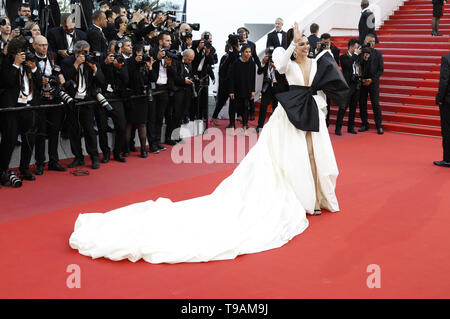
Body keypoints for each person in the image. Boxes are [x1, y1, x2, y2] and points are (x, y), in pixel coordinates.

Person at [69, 22, 349, 264]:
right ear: (293, 44)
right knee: (287, 160)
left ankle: (316, 196)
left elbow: (320, 87)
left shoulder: (316, 61)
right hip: (287, 117)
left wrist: (321, 104)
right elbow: (283, 65)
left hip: (310, 114)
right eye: (300, 43)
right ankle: (300, 199)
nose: (305, 46)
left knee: (311, 155)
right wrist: (291, 43)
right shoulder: (282, 54)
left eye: (306, 43)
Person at [0, 37, 42, 184]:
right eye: (19, 52)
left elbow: (39, 83)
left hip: (29, 106)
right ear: (13, 52)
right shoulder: (6, 63)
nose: (23, 54)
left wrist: (34, 68)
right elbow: (6, 82)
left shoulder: (29, 62)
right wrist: (16, 64)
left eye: (24, 51)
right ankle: (2, 171)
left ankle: (24, 169)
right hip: (13, 108)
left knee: (29, 140)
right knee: (9, 141)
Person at [61, 40, 105, 169]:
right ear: (77, 52)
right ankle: (78, 158)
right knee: (74, 131)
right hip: (72, 101)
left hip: (87, 100)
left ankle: (94, 157)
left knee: (89, 131)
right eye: (85, 52)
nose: (87, 54)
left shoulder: (91, 61)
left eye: (88, 51)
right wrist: (76, 64)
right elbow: (65, 81)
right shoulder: (67, 62)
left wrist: (95, 69)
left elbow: (102, 81)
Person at [33, 34, 67, 174]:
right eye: (41, 45)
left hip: (54, 99)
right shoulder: (31, 59)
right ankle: (40, 163)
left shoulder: (52, 56)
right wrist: (39, 81)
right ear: (34, 46)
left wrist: (58, 77)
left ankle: (54, 161)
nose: (44, 47)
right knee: (40, 133)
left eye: (46, 44)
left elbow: (58, 71)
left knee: (54, 132)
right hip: (39, 100)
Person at [255, 46, 288, 133]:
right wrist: (262, 62)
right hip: (267, 87)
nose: (270, 56)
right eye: (268, 54)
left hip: (278, 87)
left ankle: (276, 127)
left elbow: (284, 75)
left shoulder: (280, 62)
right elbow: (259, 72)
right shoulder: (265, 62)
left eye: (271, 54)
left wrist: (275, 67)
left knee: (276, 107)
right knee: (263, 106)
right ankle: (260, 126)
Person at [358, 33, 384, 134]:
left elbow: (380, 69)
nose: (372, 43)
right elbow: (358, 65)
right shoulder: (361, 52)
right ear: (365, 42)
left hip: (373, 83)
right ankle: (365, 124)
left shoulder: (378, 54)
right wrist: (364, 57)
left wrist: (372, 80)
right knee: (362, 104)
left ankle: (379, 126)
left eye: (374, 41)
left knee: (375, 104)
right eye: (370, 41)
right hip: (362, 82)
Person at [228, 44, 256, 135]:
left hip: (247, 89)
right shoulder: (236, 63)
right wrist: (231, 90)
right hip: (235, 89)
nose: (248, 54)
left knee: (245, 107)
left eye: (249, 52)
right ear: (242, 52)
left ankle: (244, 127)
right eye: (246, 52)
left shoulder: (252, 63)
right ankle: (232, 126)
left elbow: (253, 78)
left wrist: (252, 90)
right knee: (233, 107)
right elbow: (231, 78)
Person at [336, 38, 361, 135]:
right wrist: (355, 55)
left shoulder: (357, 57)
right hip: (347, 85)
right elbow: (348, 65)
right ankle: (338, 128)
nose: (357, 49)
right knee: (343, 107)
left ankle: (351, 127)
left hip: (356, 84)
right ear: (351, 47)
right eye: (356, 47)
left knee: (353, 108)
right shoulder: (343, 57)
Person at [434, 52, 450, 167]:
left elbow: (444, 80)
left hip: (448, 100)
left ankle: (448, 159)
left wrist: (439, 97)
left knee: (447, 129)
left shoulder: (446, 58)